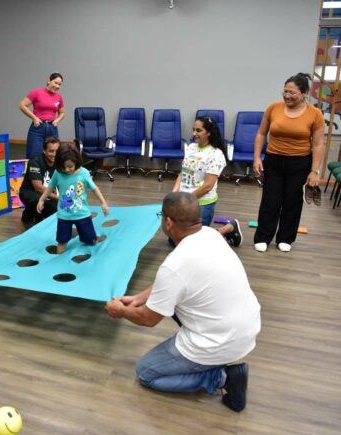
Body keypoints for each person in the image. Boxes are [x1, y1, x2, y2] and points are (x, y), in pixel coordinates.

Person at [105, 192, 261, 412]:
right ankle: (215, 364)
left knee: (146, 373)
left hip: (219, 341)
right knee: (176, 300)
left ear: (168, 222)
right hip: (247, 326)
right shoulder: (210, 234)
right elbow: (177, 281)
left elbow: (149, 320)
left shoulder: (175, 265)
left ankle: (222, 378)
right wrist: (138, 298)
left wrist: (119, 311)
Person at [253, 72, 325, 253]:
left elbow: (317, 144)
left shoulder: (315, 114)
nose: (287, 96)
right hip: (274, 160)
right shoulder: (273, 108)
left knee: (292, 200)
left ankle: (285, 238)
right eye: (285, 91)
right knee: (270, 199)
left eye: (292, 93)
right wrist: (256, 158)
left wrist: (314, 171)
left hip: (300, 162)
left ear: (304, 93)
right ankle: (263, 237)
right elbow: (261, 133)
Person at [172, 116, 242, 246]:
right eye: (193, 130)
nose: (194, 134)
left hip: (202, 203)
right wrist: (174, 194)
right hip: (184, 200)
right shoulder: (191, 147)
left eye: (198, 130)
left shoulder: (215, 154)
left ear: (208, 132)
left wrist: (186, 201)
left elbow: (208, 186)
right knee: (174, 240)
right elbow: (183, 172)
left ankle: (228, 228)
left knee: (194, 244)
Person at [37, 143, 109, 254]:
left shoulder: (83, 173)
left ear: (77, 162)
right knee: (61, 242)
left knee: (91, 240)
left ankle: (91, 240)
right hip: (64, 215)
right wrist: (41, 199)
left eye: (70, 166)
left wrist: (103, 202)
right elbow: (50, 187)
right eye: (63, 167)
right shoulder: (58, 173)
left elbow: (94, 188)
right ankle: (58, 262)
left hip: (82, 214)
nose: (66, 170)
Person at [19, 72, 65, 159]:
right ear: (49, 81)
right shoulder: (37, 92)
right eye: (55, 83)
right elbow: (22, 105)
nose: (57, 86)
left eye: (60, 84)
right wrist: (34, 118)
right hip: (38, 128)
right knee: (34, 155)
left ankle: (50, 173)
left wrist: (57, 120)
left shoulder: (59, 97)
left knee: (53, 155)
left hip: (52, 128)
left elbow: (62, 113)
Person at [19, 136, 60, 227]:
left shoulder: (59, 162)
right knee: (38, 199)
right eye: (51, 151)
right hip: (30, 192)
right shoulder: (35, 162)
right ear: (44, 151)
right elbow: (38, 188)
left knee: (60, 210)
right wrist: (59, 199)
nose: (54, 154)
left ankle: (39, 216)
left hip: (47, 194)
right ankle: (26, 218)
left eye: (57, 151)